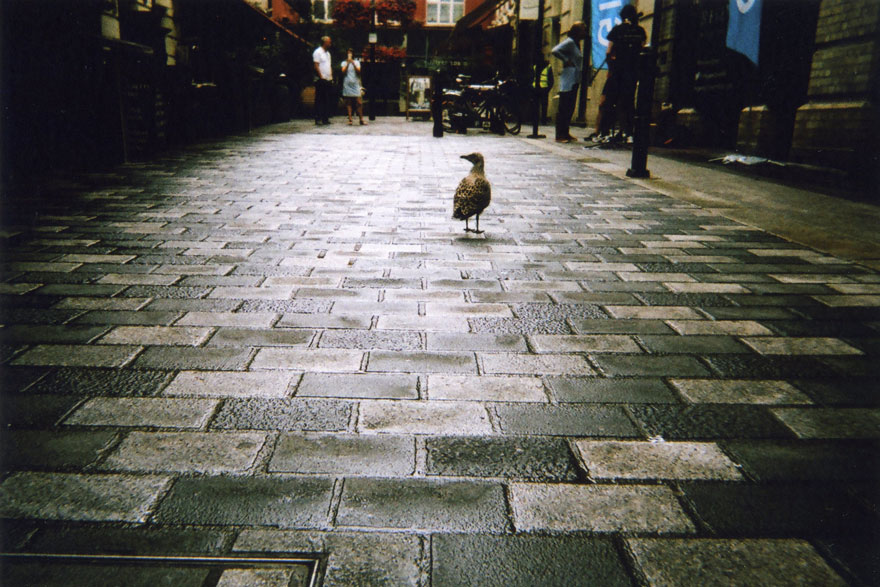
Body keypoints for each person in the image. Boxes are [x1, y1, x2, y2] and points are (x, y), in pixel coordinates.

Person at [591, 5, 646, 143]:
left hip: (617, 72)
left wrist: (612, 68)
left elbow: (609, 52)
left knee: (610, 102)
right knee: (628, 102)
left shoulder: (617, 30)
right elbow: (643, 51)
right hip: (632, 72)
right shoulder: (640, 31)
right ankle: (628, 133)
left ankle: (604, 133)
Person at [551, 21, 587, 143]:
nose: (585, 32)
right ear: (577, 31)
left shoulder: (576, 44)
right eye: (583, 29)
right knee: (564, 107)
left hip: (575, 79)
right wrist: (566, 60)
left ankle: (565, 132)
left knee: (570, 107)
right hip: (568, 79)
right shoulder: (570, 42)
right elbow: (555, 50)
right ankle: (560, 135)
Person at [341, 49, 366, 125]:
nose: (349, 54)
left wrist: (353, 63)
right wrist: (348, 63)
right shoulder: (343, 63)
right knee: (348, 102)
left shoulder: (357, 62)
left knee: (359, 102)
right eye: (348, 53)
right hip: (347, 83)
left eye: (351, 53)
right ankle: (350, 119)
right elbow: (343, 72)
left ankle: (361, 119)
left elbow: (359, 71)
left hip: (355, 84)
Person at [313, 36, 334, 125]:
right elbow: (316, 65)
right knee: (319, 99)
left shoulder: (328, 54)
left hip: (328, 78)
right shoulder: (318, 52)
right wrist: (321, 76)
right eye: (329, 42)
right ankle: (318, 117)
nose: (330, 44)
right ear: (324, 42)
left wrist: (331, 76)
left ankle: (325, 118)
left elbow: (329, 65)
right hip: (321, 79)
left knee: (326, 99)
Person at [532, 60, 554, 125]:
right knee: (544, 106)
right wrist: (548, 88)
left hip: (536, 88)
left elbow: (531, 77)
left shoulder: (535, 67)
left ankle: (535, 120)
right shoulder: (548, 67)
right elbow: (551, 80)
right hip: (544, 88)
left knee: (536, 105)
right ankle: (543, 121)